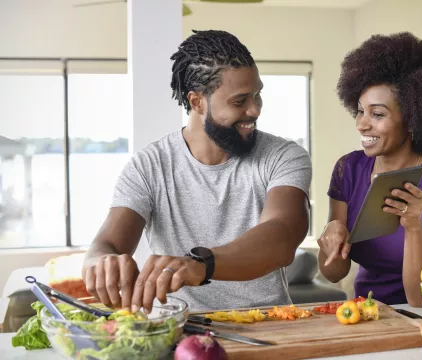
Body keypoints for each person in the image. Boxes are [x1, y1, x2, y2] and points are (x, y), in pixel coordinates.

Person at [81, 30, 312, 313]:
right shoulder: (148, 167)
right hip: (182, 327)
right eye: (240, 101)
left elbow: (282, 236)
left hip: (272, 325)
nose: (254, 110)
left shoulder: (283, 156)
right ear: (197, 102)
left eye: (257, 96)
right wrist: (100, 262)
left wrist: (202, 264)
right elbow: (104, 245)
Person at [317, 32, 422, 307]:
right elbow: (333, 273)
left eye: (377, 114)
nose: (362, 125)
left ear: (413, 119)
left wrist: (413, 227)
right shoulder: (348, 169)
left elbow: (420, 298)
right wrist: (332, 232)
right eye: (360, 111)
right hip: (365, 311)